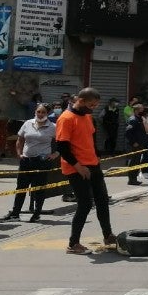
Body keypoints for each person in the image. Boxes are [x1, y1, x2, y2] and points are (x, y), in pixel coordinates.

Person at [55, 87, 117, 254]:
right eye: (91, 105)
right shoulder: (66, 118)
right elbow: (62, 147)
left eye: (96, 105)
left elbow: (90, 139)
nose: (93, 108)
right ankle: (73, 244)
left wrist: (96, 157)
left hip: (92, 164)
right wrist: (78, 166)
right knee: (85, 204)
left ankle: (108, 235)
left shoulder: (87, 116)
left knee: (103, 200)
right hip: (76, 167)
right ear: (80, 101)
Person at [1, 103, 59, 223]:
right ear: (35, 112)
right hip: (26, 160)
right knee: (21, 188)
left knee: (38, 189)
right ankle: (15, 213)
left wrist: (55, 154)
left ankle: (37, 213)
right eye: (38, 112)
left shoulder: (53, 127)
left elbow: (62, 142)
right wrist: (19, 153)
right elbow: (20, 140)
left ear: (47, 114)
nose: (40, 114)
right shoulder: (28, 123)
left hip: (42, 162)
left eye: (43, 112)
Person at [124, 103, 148, 187]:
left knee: (137, 161)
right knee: (133, 161)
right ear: (136, 111)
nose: (143, 111)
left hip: (140, 144)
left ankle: (134, 179)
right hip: (135, 145)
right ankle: (131, 179)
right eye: (141, 109)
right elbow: (128, 132)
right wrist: (133, 142)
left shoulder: (139, 119)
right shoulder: (133, 119)